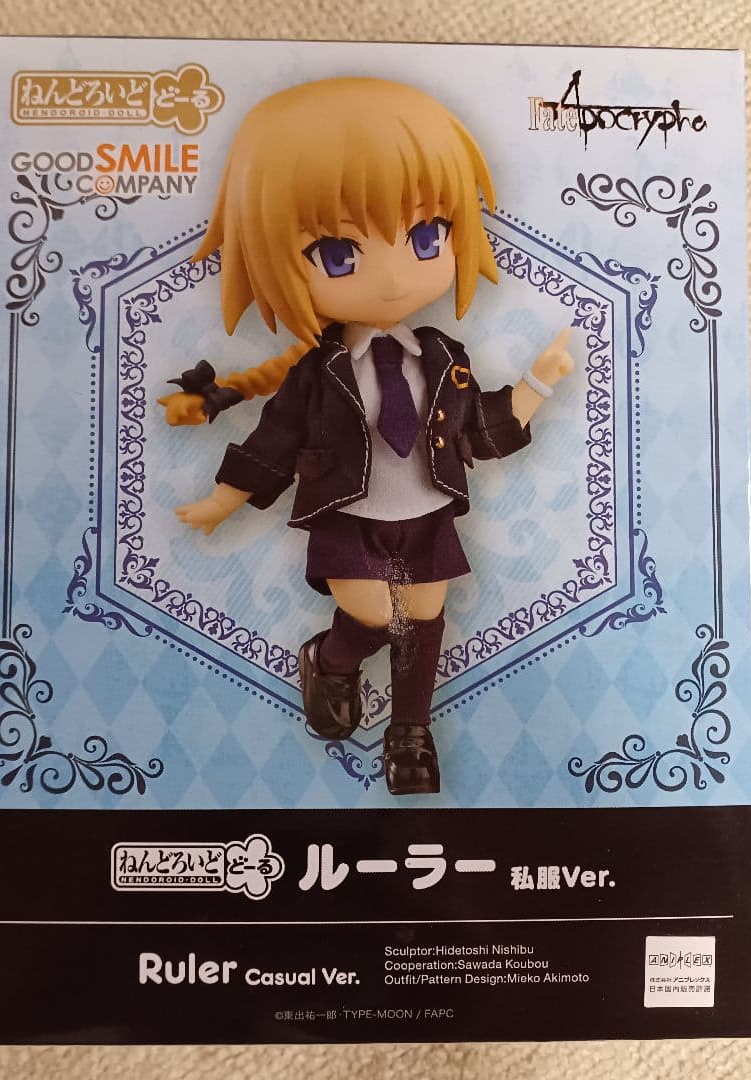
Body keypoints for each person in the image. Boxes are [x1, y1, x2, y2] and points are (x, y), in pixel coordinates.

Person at [159, 77, 574, 795]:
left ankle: (410, 733)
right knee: (374, 613)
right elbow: (276, 436)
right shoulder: (319, 371)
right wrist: (225, 499)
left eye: (425, 237)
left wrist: (537, 382)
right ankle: (332, 658)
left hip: (428, 512)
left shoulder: (442, 355)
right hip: (348, 514)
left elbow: (478, 427)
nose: (391, 278)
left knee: (424, 616)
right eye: (337, 253)